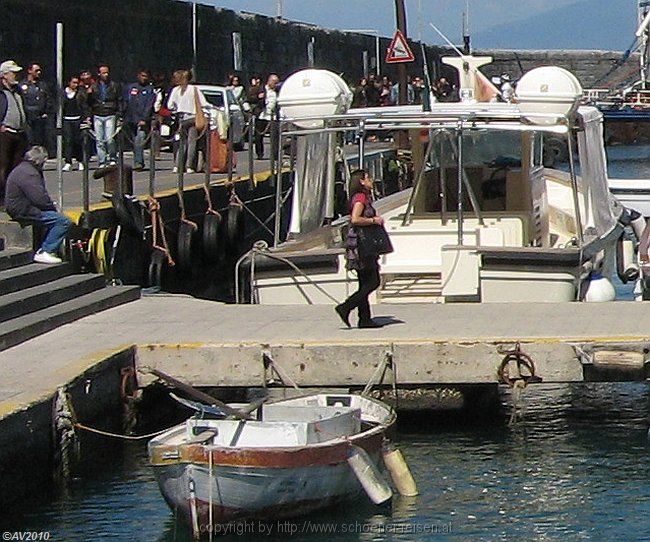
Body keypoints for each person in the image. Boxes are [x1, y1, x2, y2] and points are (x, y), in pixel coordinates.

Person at [5, 146, 72, 264]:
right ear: (38, 160)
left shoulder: (23, 168)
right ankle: (46, 250)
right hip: (23, 210)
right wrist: (52, 208)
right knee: (63, 221)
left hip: (21, 207)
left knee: (53, 218)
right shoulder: (29, 173)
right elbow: (39, 198)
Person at [335, 169, 384, 329]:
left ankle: (365, 318)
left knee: (364, 282)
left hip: (362, 244)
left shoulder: (362, 197)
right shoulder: (360, 198)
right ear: (362, 181)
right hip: (362, 246)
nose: (371, 180)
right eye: (368, 178)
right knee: (373, 281)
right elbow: (355, 219)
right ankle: (346, 306)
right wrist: (373, 220)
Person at [166, 69, 207, 173]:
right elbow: (204, 103)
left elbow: (170, 105)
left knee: (180, 143)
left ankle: (177, 166)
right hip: (192, 118)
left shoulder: (175, 90)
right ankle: (189, 166)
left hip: (181, 119)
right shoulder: (194, 89)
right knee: (191, 143)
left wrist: (177, 107)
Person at [0, 60, 28, 208]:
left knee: (16, 168)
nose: (15, 75)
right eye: (13, 73)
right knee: (3, 167)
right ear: (4, 75)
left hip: (18, 133)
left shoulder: (17, 90)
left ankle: (14, 198)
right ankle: (1, 199)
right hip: (5, 133)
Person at [86, 64, 122, 167]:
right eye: (103, 73)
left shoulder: (114, 85)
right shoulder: (94, 86)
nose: (106, 75)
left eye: (107, 72)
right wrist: (89, 94)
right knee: (100, 140)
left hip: (110, 113)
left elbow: (119, 100)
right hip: (98, 114)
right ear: (99, 74)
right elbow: (89, 103)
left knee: (110, 139)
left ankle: (112, 157)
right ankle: (102, 161)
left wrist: (119, 114)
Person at [123, 69, 155, 170]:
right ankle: (137, 159)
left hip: (142, 120)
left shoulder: (150, 89)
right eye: (142, 75)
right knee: (133, 142)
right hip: (130, 119)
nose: (143, 78)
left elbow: (149, 105)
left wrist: (144, 119)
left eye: (145, 76)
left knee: (139, 140)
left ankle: (138, 163)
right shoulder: (131, 87)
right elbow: (125, 102)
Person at [20, 62, 52, 149]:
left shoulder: (43, 85)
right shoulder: (22, 85)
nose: (39, 73)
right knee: (28, 139)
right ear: (30, 71)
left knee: (39, 140)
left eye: (39, 71)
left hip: (39, 117)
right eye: (36, 70)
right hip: (27, 117)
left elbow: (48, 99)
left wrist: (46, 112)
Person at [62, 75, 85, 171]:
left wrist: (84, 118)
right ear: (69, 83)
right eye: (73, 82)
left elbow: (84, 106)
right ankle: (68, 162)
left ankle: (80, 161)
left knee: (78, 141)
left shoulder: (80, 93)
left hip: (77, 119)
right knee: (68, 141)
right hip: (67, 119)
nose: (75, 85)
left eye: (77, 83)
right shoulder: (63, 93)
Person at [254, 74, 279, 161]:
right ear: (269, 81)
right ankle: (260, 153)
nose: (275, 84)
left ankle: (275, 155)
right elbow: (250, 98)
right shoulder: (260, 89)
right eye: (274, 82)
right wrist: (258, 97)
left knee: (275, 137)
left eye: (277, 83)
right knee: (258, 136)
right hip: (262, 115)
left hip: (273, 117)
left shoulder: (277, 91)